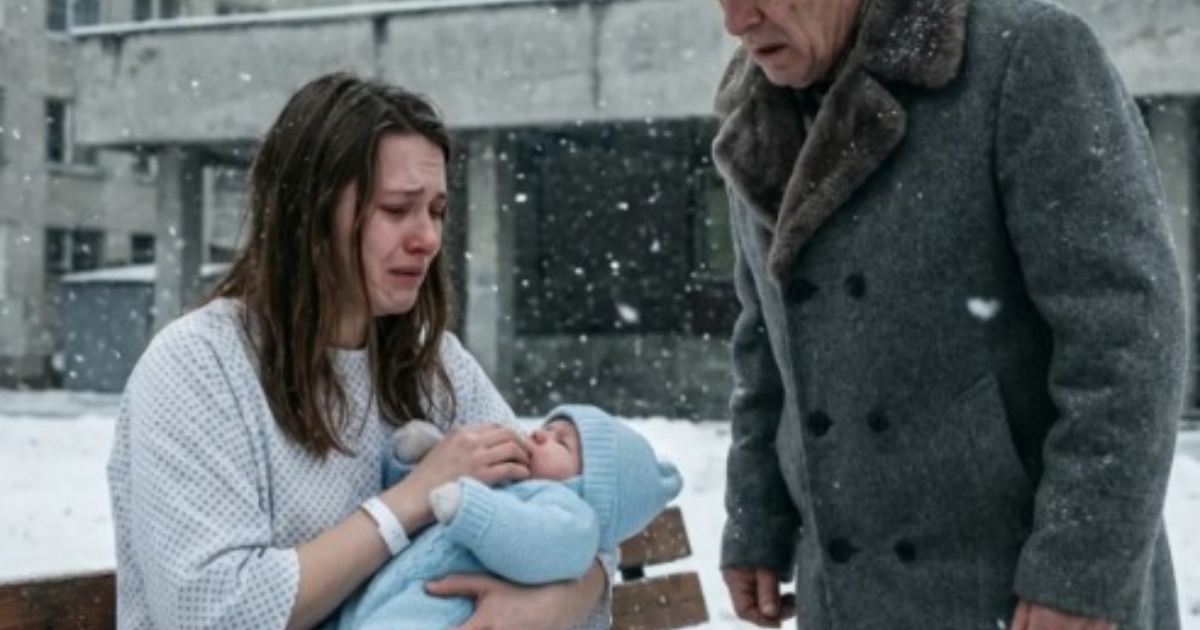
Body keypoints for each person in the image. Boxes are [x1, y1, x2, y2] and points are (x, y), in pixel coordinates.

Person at [710, 1, 1186, 629]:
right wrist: (756, 515)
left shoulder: (1023, 55)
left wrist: (1078, 573)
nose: (736, 21)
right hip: (847, 597)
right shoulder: (757, 106)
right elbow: (765, 342)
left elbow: (1126, 336)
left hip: (1020, 592)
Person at [107, 72, 614, 630]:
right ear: (308, 215)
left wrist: (559, 601)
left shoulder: (436, 367)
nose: (428, 238)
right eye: (396, 209)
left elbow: (567, 508)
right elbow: (213, 613)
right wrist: (412, 500)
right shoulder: (197, 367)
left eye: (437, 210)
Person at [327, 404, 683, 630]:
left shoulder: (573, 518)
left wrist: (471, 508)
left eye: (561, 442)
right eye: (548, 427)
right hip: (392, 596)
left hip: (445, 612)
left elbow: (527, 541)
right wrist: (416, 465)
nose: (540, 434)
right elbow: (427, 506)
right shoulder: (512, 482)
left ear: (589, 486)